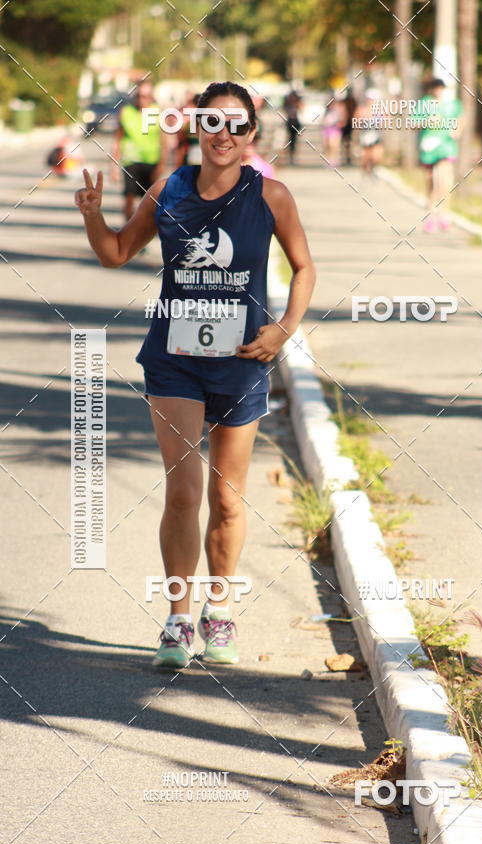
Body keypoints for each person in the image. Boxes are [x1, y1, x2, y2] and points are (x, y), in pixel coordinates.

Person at [75, 81, 316, 669]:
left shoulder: (273, 196)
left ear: (252, 135)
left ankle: (220, 614)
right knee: (183, 491)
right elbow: (114, 252)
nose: (224, 136)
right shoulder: (169, 191)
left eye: (236, 126)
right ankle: (179, 622)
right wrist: (92, 216)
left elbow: (305, 269)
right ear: (196, 130)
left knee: (229, 501)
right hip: (174, 361)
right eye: (213, 124)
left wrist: (283, 330)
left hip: (240, 363)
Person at [112, 80, 167, 222]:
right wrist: (113, 165)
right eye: (140, 96)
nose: (142, 100)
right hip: (131, 160)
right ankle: (128, 234)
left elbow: (164, 141)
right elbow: (118, 139)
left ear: (151, 97)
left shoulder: (158, 112)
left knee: (149, 203)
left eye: (146, 96)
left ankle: (142, 234)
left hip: (151, 161)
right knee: (129, 200)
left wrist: (162, 164)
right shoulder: (126, 112)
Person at [414, 78, 463, 232]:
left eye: (441, 88)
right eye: (435, 88)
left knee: (445, 182)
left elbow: (461, 118)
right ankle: (430, 215)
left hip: (446, 147)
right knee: (431, 183)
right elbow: (413, 123)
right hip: (429, 147)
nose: (438, 91)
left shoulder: (452, 103)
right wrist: (426, 122)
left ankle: (445, 214)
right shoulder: (424, 103)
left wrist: (457, 130)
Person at [321, 96, 342, 167]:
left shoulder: (338, 110)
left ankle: (334, 160)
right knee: (327, 146)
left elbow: (342, 120)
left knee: (333, 146)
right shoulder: (326, 111)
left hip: (334, 129)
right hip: (327, 129)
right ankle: (328, 160)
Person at [283, 89, 302, 165]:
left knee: (293, 140)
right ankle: (289, 156)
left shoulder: (296, 104)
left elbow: (301, 110)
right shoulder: (288, 105)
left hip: (295, 122)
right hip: (290, 122)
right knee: (290, 140)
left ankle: (292, 156)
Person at [339, 90, 357, 166]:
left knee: (348, 141)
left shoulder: (352, 102)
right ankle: (347, 156)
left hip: (350, 123)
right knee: (347, 141)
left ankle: (348, 156)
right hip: (347, 124)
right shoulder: (349, 102)